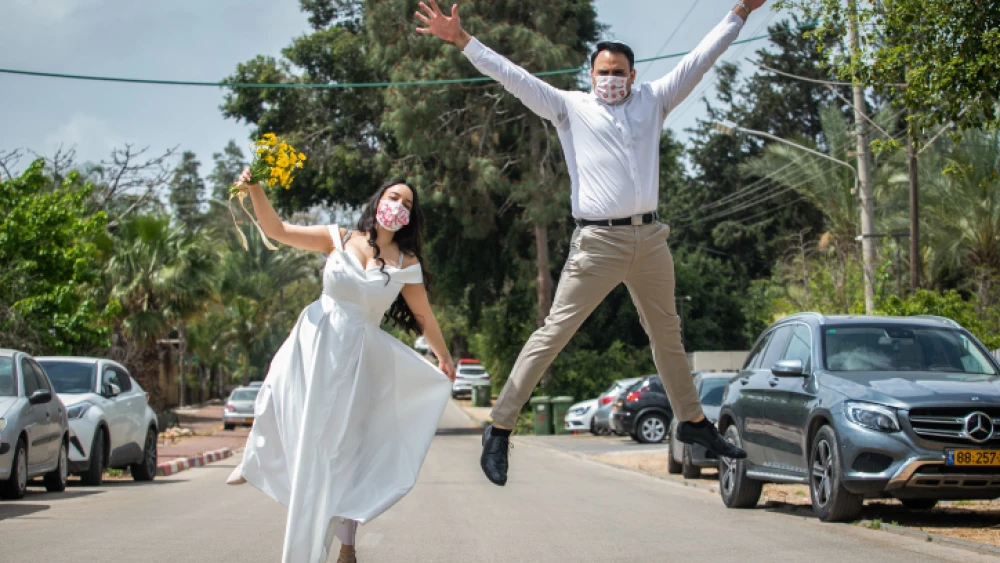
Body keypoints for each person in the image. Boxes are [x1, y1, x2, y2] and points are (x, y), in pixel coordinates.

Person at [416, 0, 765, 486]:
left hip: (650, 239)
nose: (610, 79)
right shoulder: (568, 106)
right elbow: (513, 77)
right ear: (591, 72)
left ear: (632, 74)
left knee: (668, 335)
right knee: (553, 334)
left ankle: (693, 422)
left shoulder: (654, 99)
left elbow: (700, 59)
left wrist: (740, 12)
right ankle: (498, 428)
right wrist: (462, 41)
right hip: (597, 243)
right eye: (603, 71)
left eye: (618, 72)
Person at [224, 169, 456, 563]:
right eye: (393, 197)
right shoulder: (339, 238)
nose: (398, 205)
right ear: (378, 200)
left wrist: (444, 356)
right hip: (316, 342)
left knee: (347, 451)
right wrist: (256, 188)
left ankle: (345, 542)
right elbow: (278, 230)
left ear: (411, 218)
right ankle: (258, 456)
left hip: (362, 360)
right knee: (280, 394)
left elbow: (423, 317)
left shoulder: (406, 262)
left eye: (407, 203)